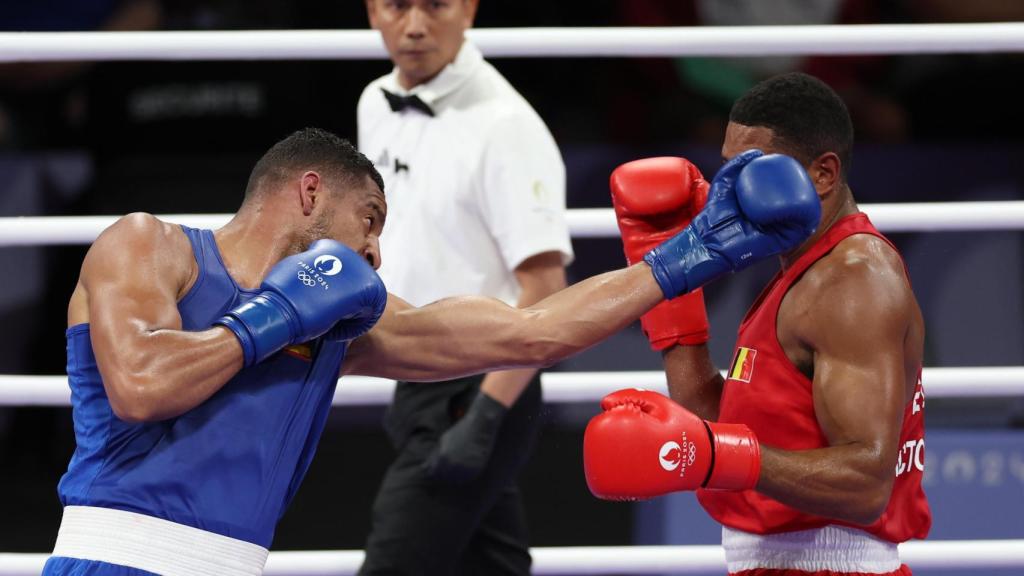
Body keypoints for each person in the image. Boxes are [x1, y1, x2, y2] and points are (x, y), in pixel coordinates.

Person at [43, 124, 818, 575]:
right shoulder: (151, 245)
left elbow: (531, 330)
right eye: (369, 219)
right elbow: (140, 385)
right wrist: (272, 316)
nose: (375, 255)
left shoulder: (336, 328)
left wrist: (687, 257)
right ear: (310, 192)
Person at [583, 72, 931, 575]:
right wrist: (667, 289)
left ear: (823, 175)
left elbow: (865, 483)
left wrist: (712, 455)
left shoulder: (852, 281)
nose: (732, 189)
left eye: (754, 171)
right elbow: (719, 427)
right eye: (728, 167)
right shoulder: (800, 269)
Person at [355, 0, 571, 573]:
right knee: (491, 563)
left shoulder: (506, 126)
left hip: (482, 381)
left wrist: (484, 416)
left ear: (469, 9)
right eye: (398, 5)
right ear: (374, 10)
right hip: (414, 372)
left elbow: (546, 286)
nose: (416, 24)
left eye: (435, 4)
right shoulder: (374, 103)